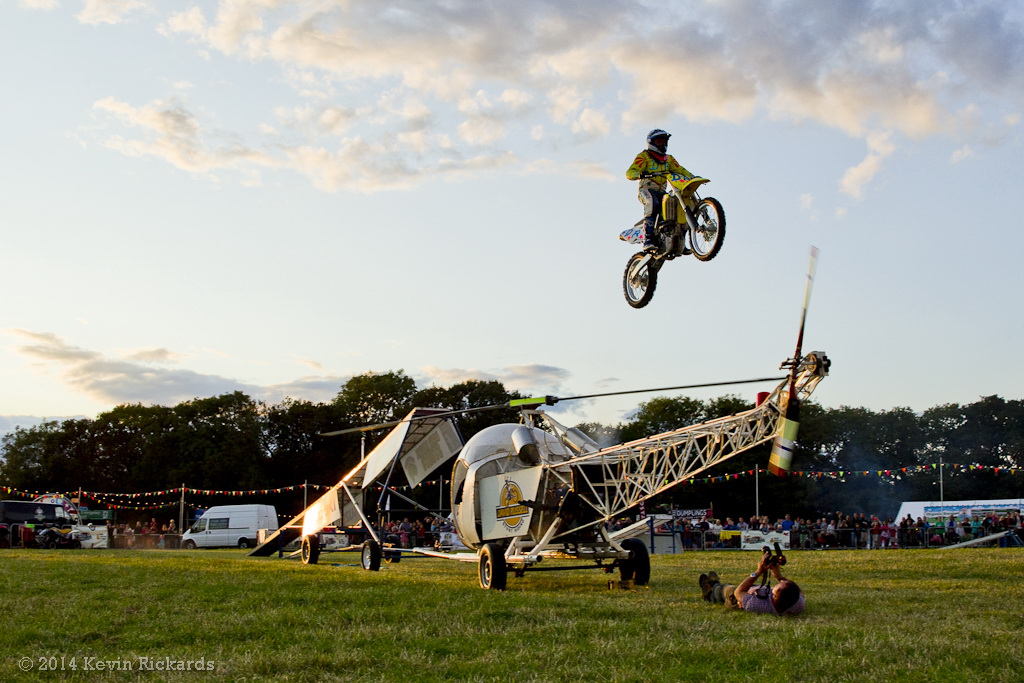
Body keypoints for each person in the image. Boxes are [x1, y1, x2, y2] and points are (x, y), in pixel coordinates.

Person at [625, 129, 696, 251]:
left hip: (662, 191)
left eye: (663, 142)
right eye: (658, 141)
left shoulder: (669, 159)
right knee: (653, 203)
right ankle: (648, 240)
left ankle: (680, 242)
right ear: (651, 143)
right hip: (647, 189)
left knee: (678, 207)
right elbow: (630, 172)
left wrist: (692, 177)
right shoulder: (643, 156)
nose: (662, 144)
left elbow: (680, 170)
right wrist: (640, 174)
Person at [699, 551, 805, 616]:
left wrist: (758, 571)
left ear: (775, 596)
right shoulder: (797, 603)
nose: (773, 587)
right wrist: (779, 577)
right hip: (756, 591)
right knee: (735, 585)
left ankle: (711, 588)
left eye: (775, 588)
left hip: (737, 598)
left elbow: (738, 592)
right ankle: (714, 585)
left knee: (726, 589)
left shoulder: (758, 605)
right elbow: (796, 590)